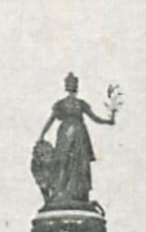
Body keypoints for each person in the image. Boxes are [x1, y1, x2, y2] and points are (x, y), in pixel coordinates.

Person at [35, 73, 117, 207]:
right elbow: (94, 118)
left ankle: (75, 193)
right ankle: (64, 192)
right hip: (72, 134)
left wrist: (108, 121)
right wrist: (109, 121)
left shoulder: (73, 104)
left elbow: (51, 120)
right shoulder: (69, 104)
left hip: (75, 135)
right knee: (66, 163)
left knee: (75, 163)